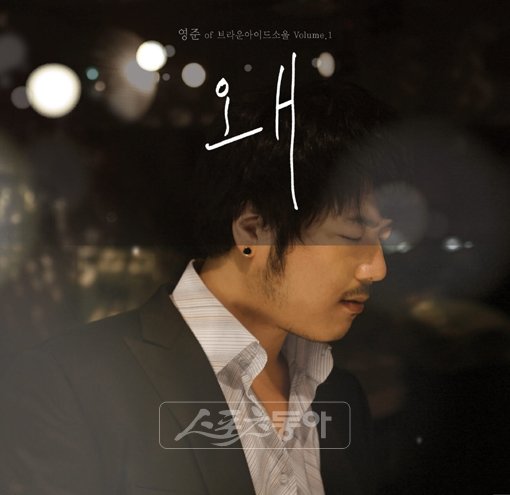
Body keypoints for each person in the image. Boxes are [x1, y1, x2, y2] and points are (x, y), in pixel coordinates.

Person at [0, 80, 399, 495]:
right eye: (351, 237)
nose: (377, 268)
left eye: (384, 238)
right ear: (253, 230)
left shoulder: (339, 394)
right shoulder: (71, 384)